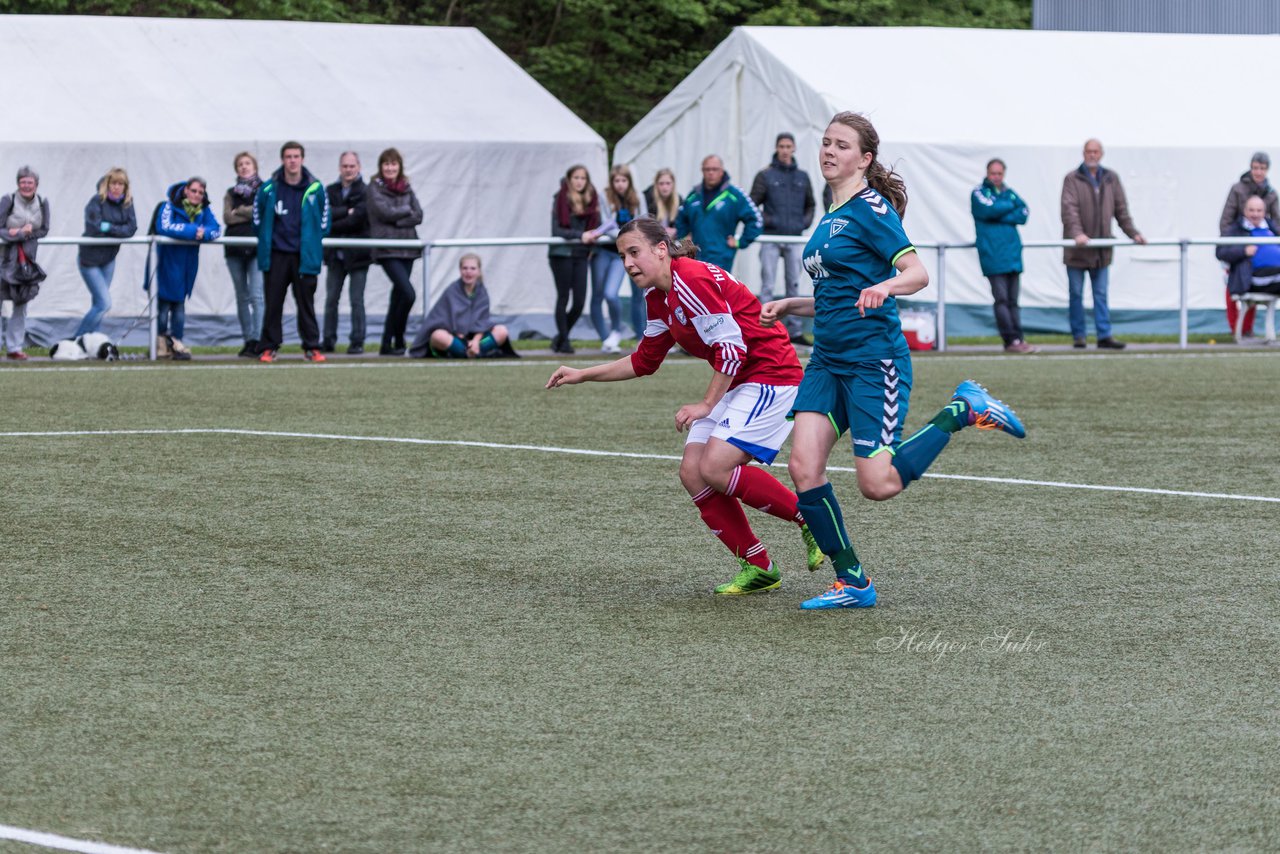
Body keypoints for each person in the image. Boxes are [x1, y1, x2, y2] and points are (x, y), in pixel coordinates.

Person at [762, 112, 1026, 610]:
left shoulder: (871, 208)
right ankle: (853, 582)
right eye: (825, 143)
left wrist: (885, 284)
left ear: (864, 159)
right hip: (826, 361)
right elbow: (837, 293)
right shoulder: (830, 214)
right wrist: (791, 304)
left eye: (841, 145)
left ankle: (963, 410)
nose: (829, 151)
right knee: (802, 467)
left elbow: (917, 272)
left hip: (872, 362)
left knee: (877, 484)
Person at [547, 217, 823, 595]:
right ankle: (759, 566)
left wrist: (706, 404)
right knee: (693, 473)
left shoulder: (689, 280)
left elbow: (732, 349)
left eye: (634, 252)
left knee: (715, 465)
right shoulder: (657, 296)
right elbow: (645, 360)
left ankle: (812, 519)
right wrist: (583, 373)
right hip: (740, 378)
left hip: (771, 373)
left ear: (661, 249)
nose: (627, 263)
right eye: (622, 255)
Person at [1060, 138, 1146, 350]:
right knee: (1076, 294)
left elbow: (1121, 210)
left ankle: (1104, 335)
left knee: (1101, 294)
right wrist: (1078, 234)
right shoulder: (1072, 179)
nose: (1092, 155)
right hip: (1077, 251)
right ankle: (1079, 336)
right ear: (1083, 153)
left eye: (1096, 151)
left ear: (1101, 154)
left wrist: (1133, 234)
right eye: (1089, 151)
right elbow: (1068, 210)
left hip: (1101, 251)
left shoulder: (1111, 179)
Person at [254, 140, 331, 363]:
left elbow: (324, 222)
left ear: (302, 159)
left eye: (296, 156)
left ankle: (311, 347)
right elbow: (257, 220)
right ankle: (269, 347)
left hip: (304, 256)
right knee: (273, 302)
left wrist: (311, 242)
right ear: (282, 160)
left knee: (306, 303)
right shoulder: (269, 188)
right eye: (288, 157)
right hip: (276, 255)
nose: (292, 161)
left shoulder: (316, 188)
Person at [750, 132, 816, 345]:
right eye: (782, 146)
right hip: (770, 236)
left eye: (788, 146)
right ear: (777, 148)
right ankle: (763, 330)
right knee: (767, 284)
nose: (785, 150)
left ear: (794, 148)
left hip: (794, 237)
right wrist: (768, 220)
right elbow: (752, 204)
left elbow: (811, 204)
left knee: (793, 285)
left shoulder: (802, 176)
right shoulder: (765, 175)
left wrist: (802, 223)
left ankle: (795, 332)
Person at [971, 158, 1036, 353]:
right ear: (987, 173)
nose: (996, 177)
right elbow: (988, 210)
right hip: (993, 254)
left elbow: (1024, 213)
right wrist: (1007, 207)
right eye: (993, 173)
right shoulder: (979, 193)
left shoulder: (1009, 192)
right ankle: (1010, 341)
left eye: (999, 174)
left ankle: (1019, 338)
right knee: (1001, 300)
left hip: (1012, 255)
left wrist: (1000, 211)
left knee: (1013, 301)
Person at [154, 177, 221, 360]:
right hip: (166, 263)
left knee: (179, 307)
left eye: (200, 192)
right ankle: (160, 342)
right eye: (194, 191)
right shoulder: (168, 206)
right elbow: (163, 227)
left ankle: (177, 342)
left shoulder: (204, 210)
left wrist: (204, 233)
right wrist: (193, 231)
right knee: (162, 308)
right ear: (186, 190)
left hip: (187, 266)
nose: (197, 195)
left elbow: (216, 229)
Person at [367, 147, 423, 356]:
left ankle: (388, 343)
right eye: (386, 164)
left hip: (407, 247)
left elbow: (419, 214)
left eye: (394, 163)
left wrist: (397, 217)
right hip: (387, 249)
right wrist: (404, 213)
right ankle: (398, 336)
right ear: (381, 167)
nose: (390, 168)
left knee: (398, 296)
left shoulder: (406, 187)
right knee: (408, 294)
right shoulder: (374, 187)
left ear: (399, 166)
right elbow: (383, 212)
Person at [1218, 153, 1279, 339]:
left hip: (1267, 264)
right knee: (1235, 284)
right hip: (1240, 244)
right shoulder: (1238, 189)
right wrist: (1239, 245)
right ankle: (1236, 327)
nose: (1258, 172)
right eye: (1255, 167)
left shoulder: (1270, 193)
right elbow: (1226, 221)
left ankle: (1248, 328)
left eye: (1262, 168)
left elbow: (1276, 221)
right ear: (1250, 168)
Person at [587, 165, 647, 353]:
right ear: (612, 183)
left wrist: (629, 239)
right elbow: (606, 223)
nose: (620, 185)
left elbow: (642, 221)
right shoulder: (605, 197)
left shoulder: (638, 197)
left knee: (626, 294)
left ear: (629, 182)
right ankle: (611, 335)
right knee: (603, 294)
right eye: (617, 181)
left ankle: (633, 335)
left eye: (624, 180)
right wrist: (625, 235)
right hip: (607, 250)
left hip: (627, 251)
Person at [409, 253, 512, 358]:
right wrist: (459, 335)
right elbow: (441, 319)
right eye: (465, 268)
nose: (468, 272)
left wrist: (475, 341)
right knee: (438, 335)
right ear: (460, 270)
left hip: (478, 341)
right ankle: (469, 353)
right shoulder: (452, 290)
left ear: (479, 271)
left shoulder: (482, 292)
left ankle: (472, 351)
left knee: (501, 331)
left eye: (472, 268)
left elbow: (483, 322)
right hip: (455, 339)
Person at [75, 167, 137, 338]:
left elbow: (131, 229)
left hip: (109, 258)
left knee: (98, 303)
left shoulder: (128, 203)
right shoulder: (96, 201)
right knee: (104, 303)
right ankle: (77, 339)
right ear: (107, 184)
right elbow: (94, 227)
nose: (116, 187)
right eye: (113, 183)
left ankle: (91, 343)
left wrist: (108, 226)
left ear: (125, 186)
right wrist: (118, 229)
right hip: (89, 259)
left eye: (120, 184)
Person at [674, 155, 762, 273]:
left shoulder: (734, 195)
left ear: (722, 171)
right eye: (707, 169)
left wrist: (740, 241)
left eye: (714, 169)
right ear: (702, 171)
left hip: (721, 258)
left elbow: (756, 220)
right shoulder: (694, 195)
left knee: (717, 291)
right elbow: (680, 219)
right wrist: (684, 240)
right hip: (695, 257)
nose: (711, 173)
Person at [323, 151, 372, 354]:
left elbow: (358, 218)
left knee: (356, 299)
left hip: (358, 254)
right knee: (331, 298)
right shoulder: (330, 190)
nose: (348, 170)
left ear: (358, 167)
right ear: (339, 168)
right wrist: (346, 211)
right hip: (335, 254)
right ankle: (327, 339)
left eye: (352, 166)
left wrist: (340, 216)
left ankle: (357, 340)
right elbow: (326, 218)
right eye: (345, 166)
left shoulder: (366, 190)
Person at [547, 164, 598, 354]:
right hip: (562, 254)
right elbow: (557, 230)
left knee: (579, 301)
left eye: (583, 178)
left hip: (582, 254)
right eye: (576, 177)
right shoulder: (560, 198)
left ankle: (560, 337)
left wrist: (592, 236)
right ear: (569, 179)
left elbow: (595, 226)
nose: (579, 181)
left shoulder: (592, 200)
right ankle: (565, 341)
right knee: (563, 297)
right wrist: (580, 234)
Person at [0, 166, 49, 360]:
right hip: (4, 261)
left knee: (21, 305)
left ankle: (14, 347)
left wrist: (28, 233)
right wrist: (16, 233)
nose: (26, 185)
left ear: (36, 184)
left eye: (30, 182)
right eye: (23, 182)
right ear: (18, 183)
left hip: (25, 263)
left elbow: (44, 229)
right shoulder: (8, 200)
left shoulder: (43, 203)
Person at [222, 152, 264, 357]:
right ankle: (247, 339)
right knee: (241, 296)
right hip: (234, 249)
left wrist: (241, 210)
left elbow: (261, 213)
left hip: (257, 248)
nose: (244, 167)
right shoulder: (231, 192)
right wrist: (246, 212)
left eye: (247, 163)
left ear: (254, 166)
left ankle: (258, 338)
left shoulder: (264, 189)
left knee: (256, 294)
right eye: (240, 164)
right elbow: (227, 217)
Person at [1216, 196, 1280, 316]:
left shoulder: (1271, 227)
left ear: (1265, 212)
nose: (1255, 214)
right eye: (1251, 210)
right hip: (1252, 278)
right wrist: (1243, 251)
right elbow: (1220, 252)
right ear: (1244, 211)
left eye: (1259, 210)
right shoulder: (1236, 229)